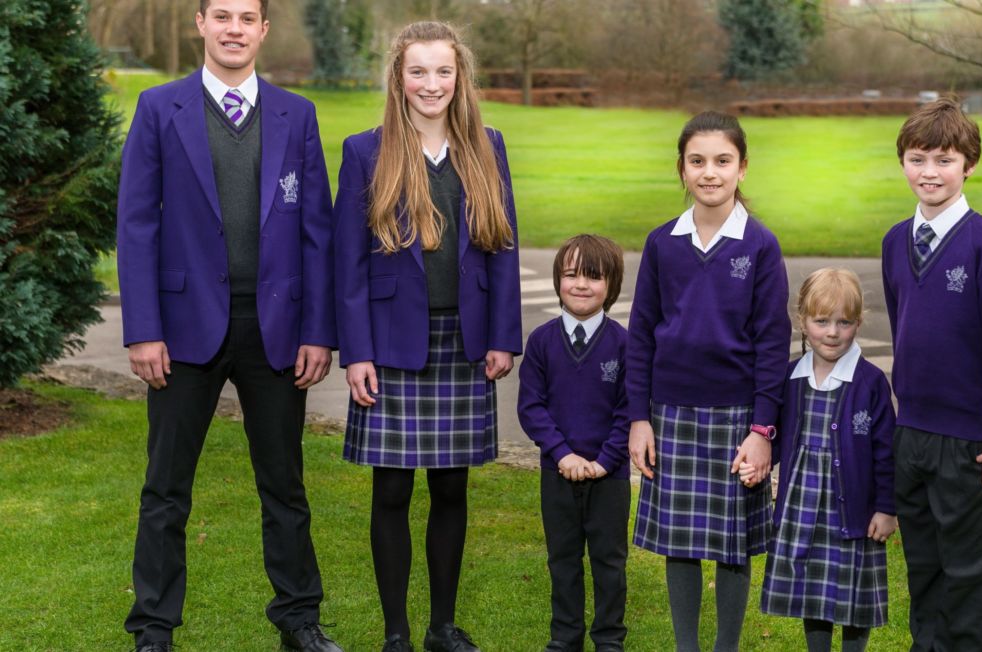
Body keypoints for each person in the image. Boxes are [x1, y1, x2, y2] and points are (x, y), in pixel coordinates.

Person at [116, 0, 341, 650]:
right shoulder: (161, 109)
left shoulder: (297, 115)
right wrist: (142, 329)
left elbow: (317, 233)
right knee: (165, 488)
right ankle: (154, 628)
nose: (234, 28)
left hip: (276, 329)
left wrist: (318, 331)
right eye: (222, 15)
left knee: (285, 486)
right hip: (182, 330)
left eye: (247, 17)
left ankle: (299, 619)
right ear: (201, 24)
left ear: (264, 30)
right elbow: (137, 225)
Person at [332, 21, 521, 652]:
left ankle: (442, 626)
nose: (431, 83)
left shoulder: (487, 147)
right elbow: (348, 265)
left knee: (451, 487)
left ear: (460, 76)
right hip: (391, 345)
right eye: (418, 71)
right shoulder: (366, 151)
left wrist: (504, 337)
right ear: (398, 78)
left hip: (463, 344)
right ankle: (396, 633)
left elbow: (502, 252)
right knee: (391, 488)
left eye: (443, 71)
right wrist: (355, 351)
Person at [626, 111, 790, 652]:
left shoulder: (760, 246)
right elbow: (641, 336)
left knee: (732, 544)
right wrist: (638, 419)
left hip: (737, 418)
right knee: (681, 543)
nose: (710, 172)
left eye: (723, 161)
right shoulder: (661, 243)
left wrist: (762, 430)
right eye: (697, 161)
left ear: (743, 168)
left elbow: (772, 344)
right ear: (681, 169)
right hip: (669, 413)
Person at [882, 98, 982, 651]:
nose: (930, 173)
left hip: (969, 441)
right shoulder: (896, 242)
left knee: (966, 574)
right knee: (924, 567)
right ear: (903, 164)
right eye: (918, 159)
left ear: (969, 165)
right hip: (911, 434)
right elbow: (904, 328)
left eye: (944, 160)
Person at [751, 268, 896, 652]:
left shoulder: (870, 383)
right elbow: (778, 439)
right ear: (802, 321)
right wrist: (759, 460)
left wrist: (886, 508)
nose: (832, 332)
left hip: (851, 513)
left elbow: (886, 452)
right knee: (813, 592)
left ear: (858, 323)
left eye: (844, 322)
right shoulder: (791, 379)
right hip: (802, 509)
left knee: (851, 596)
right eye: (821, 321)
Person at [518, 234, 630, 652]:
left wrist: (604, 461)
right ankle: (565, 638)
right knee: (563, 561)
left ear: (611, 284)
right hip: (558, 474)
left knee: (609, 563)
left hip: (610, 477)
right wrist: (562, 454)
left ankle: (608, 640)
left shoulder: (624, 344)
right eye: (571, 275)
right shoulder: (543, 342)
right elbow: (532, 407)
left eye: (594, 276)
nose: (581, 285)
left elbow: (629, 410)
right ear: (557, 280)